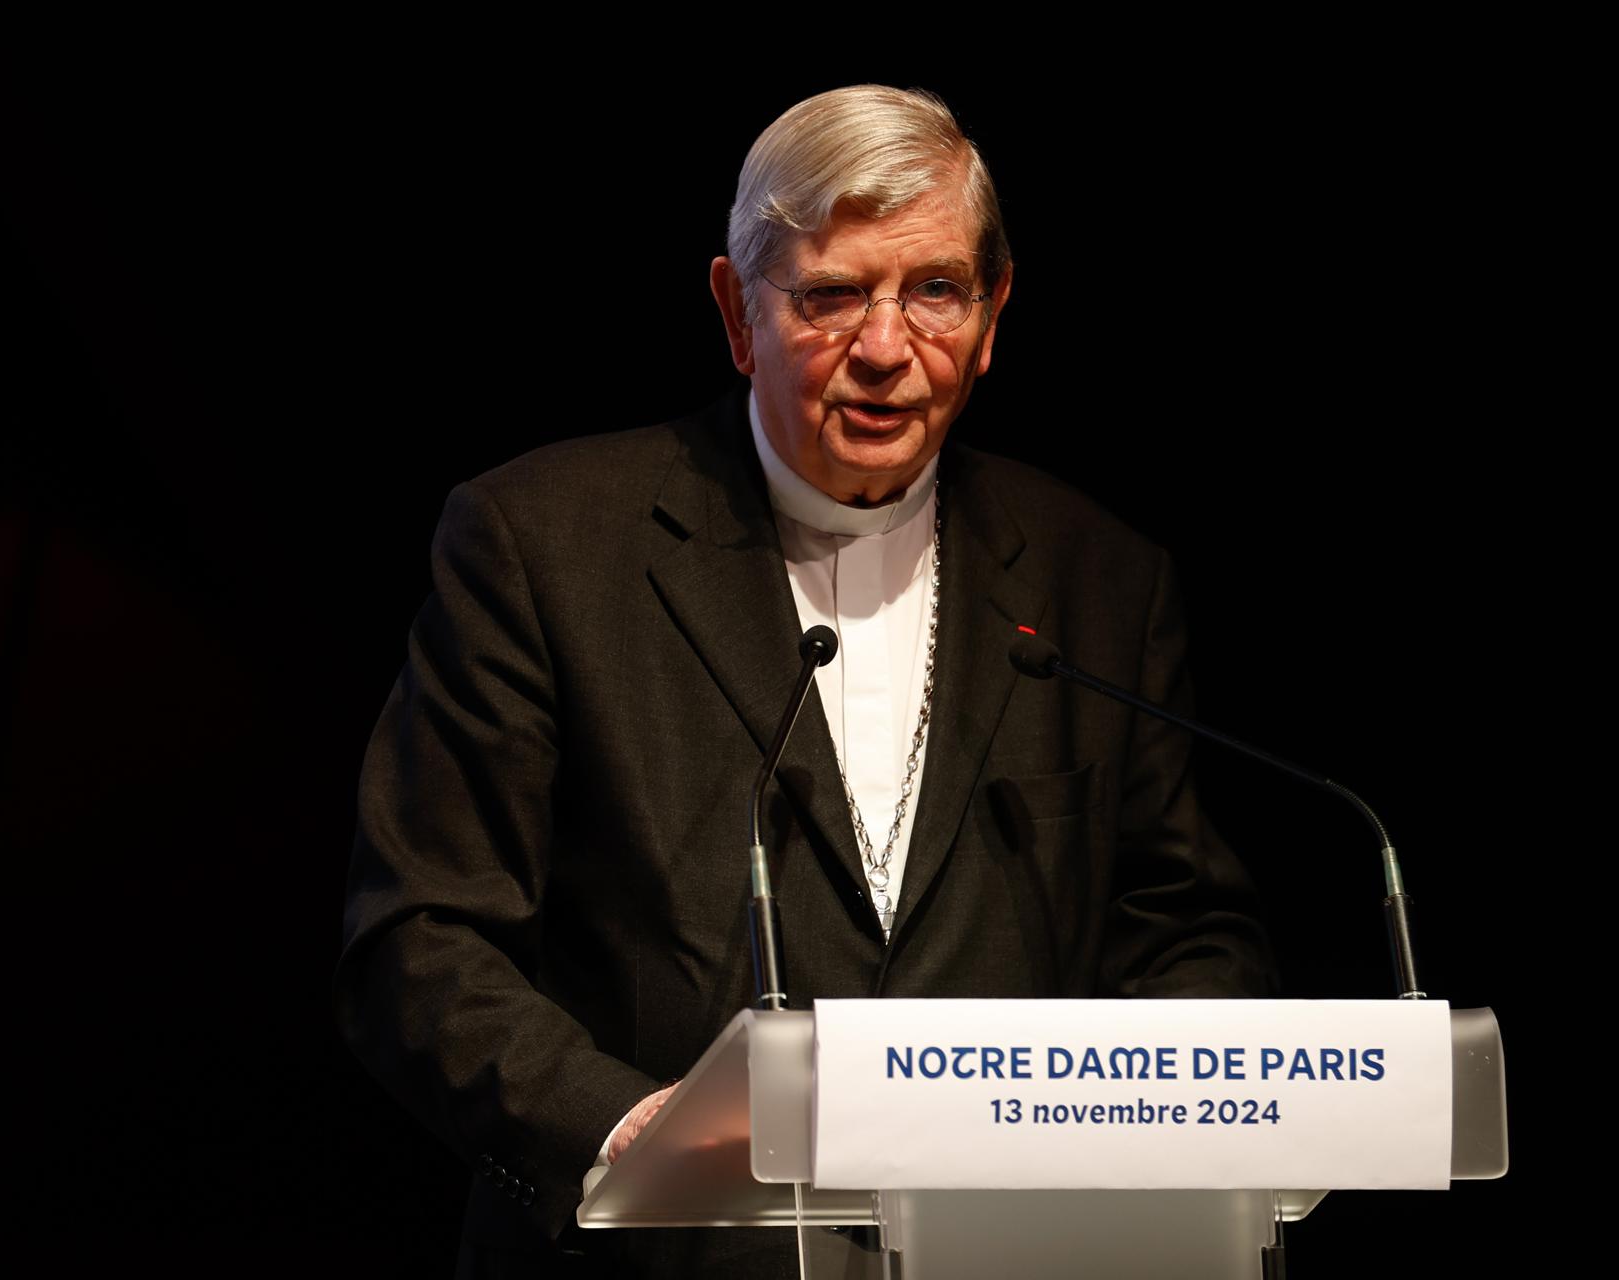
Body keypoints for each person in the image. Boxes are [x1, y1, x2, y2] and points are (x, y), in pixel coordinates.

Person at [336, 84, 1276, 1278]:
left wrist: (1147, 1123)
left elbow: (1185, 930)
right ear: (737, 314)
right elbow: (418, 942)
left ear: (993, 314)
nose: (886, 349)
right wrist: (628, 1130)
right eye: (831, 295)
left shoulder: (1100, 575)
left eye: (935, 290)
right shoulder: (544, 544)